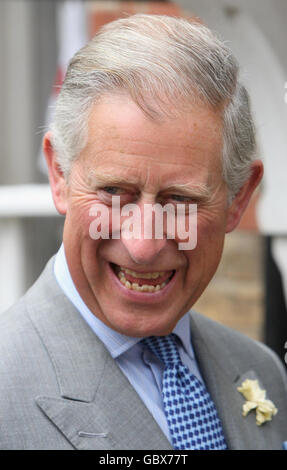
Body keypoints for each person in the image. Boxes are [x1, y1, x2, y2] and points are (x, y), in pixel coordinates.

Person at [0, 14, 286, 451]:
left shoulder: (261, 371)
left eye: (181, 200)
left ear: (239, 198)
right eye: (114, 191)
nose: (144, 245)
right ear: (60, 174)